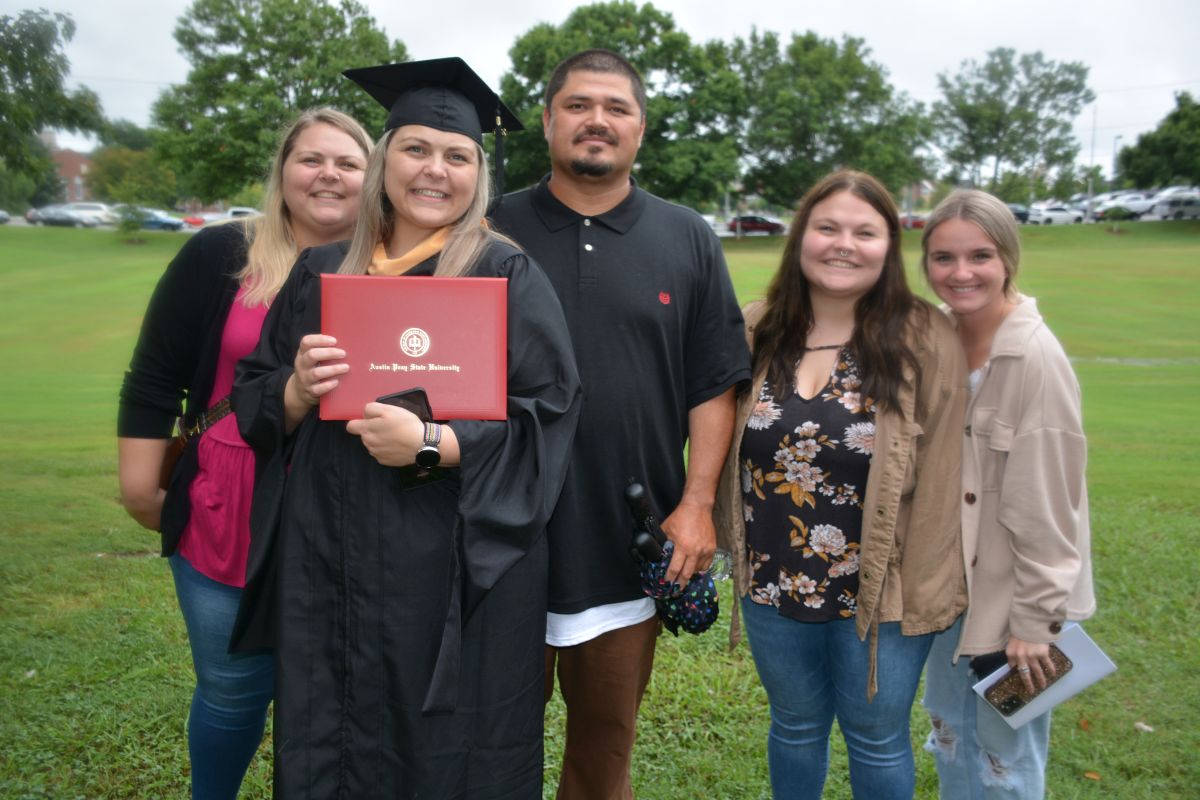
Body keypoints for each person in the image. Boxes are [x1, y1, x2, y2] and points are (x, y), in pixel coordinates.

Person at [230, 57, 581, 798]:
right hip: (331, 547)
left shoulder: (505, 273)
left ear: (478, 175)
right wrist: (295, 389)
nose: (435, 171)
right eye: (416, 149)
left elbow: (550, 415)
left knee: (447, 747)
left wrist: (433, 444)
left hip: (452, 556)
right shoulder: (322, 271)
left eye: (457, 156)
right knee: (333, 733)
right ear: (384, 161)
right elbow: (254, 394)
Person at [490, 49, 751, 799]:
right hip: (492, 535)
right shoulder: (489, 226)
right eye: (577, 105)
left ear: (640, 127)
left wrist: (697, 505)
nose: (596, 120)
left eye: (616, 108)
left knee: (604, 752)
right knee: (485, 744)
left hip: (627, 538)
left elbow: (713, 384)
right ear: (548, 120)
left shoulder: (686, 235)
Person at [117, 108, 372, 799]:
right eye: (310, 159)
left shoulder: (393, 264)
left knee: (344, 697)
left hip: (349, 503)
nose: (328, 175)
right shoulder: (221, 254)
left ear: (373, 177)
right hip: (231, 501)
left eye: (348, 163)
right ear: (282, 172)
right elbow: (155, 376)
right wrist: (140, 485)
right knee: (232, 692)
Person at [713, 170, 969, 800]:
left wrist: (923, 596)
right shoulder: (758, 328)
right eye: (827, 227)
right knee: (794, 726)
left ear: (890, 246)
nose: (843, 244)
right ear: (801, 236)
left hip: (884, 589)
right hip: (772, 579)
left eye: (865, 232)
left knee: (877, 738)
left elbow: (944, 480)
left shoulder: (925, 337)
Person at [919, 189, 1095, 799]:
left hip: (1013, 602)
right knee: (949, 732)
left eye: (980, 256)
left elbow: (1051, 506)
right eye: (943, 257)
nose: (961, 273)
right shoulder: (938, 336)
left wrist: (1035, 622)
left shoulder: (1035, 358)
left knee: (1005, 759)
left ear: (1007, 260)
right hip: (950, 590)